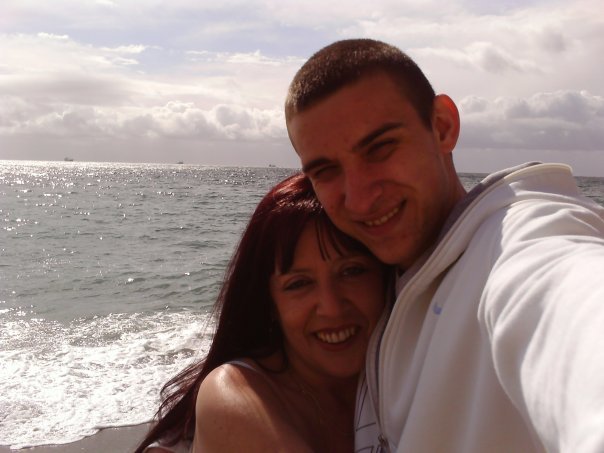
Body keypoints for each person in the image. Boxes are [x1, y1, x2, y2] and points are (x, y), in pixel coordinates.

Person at [285, 38, 604, 452]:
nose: (360, 198)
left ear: (442, 127)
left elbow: (566, 302)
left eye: (380, 148)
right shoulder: (385, 287)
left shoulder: (517, 243)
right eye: (326, 171)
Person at [134, 172, 390, 453]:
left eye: (352, 271)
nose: (331, 307)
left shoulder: (397, 379)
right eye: (299, 284)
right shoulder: (233, 393)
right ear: (270, 303)